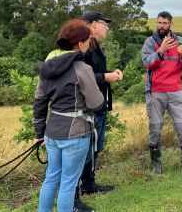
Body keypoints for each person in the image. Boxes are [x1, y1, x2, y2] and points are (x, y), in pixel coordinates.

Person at [33, 19, 104, 212]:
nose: (90, 44)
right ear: (80, 43)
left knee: (51, 178)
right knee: (68, 183)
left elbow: (39, 101)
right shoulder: (83, 69)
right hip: (76, 134)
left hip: (52, 132)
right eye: (88, 40)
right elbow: (96, 103)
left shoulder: (47, 67)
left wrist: (39, 132)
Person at [72, 11, 123, 212]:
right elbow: (81, 74)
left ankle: (89, 185)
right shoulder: (82, 46)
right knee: (83, 152)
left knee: (94, 149)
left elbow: (96, 72)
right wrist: (105, 76)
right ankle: (73, 198)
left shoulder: (94, 45)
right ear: (93, 24)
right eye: (104, 24)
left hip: (99, 105)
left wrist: (111, 74)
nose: (107, 27)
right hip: (87, 108)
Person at [141, 11, 182, 178]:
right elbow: (147, 63)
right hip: (155, 92)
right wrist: (161, 51)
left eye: (165, 23)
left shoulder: (180, 41)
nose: (161, 26)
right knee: (155, 129)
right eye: (159, 23)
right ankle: (156, 165)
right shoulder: (150, 42)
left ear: (170, 24)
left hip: (176, 91)